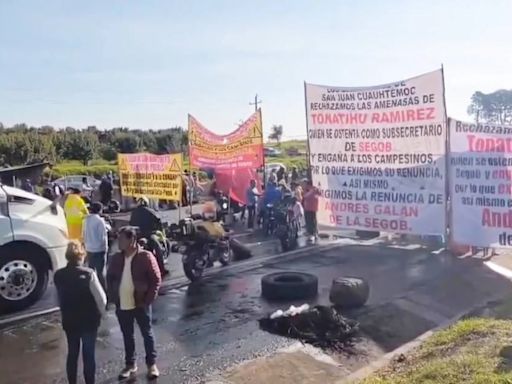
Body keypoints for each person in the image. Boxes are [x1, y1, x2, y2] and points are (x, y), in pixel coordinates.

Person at [106, 227, 162, 380]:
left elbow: (156, 280)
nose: (119, 242)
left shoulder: (145, 256)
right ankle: (130, 365)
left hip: (140, 303)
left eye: (122, 239)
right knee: (127, 335)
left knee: (147, 334)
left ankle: (152, 365)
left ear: (131, 240)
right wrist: (112, 296)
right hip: (122, 304)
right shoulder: (116, 258)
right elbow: (109, 278)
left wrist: (147, 300)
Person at [54, 240, 107, 384]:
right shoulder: (89, 274)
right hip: (89, 321)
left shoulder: (59, 275)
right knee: (88, 355)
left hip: (70, 320)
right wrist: (102, 314)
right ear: (81, 256)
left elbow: (57, 299)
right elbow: (101, 299)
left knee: (72, 353)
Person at [129, 196, 168, 276]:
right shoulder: (150, 211)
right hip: (149, 234)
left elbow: (131, 223)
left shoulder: (134, 212)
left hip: (137, 235)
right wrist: (160, 228)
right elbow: (158, 220)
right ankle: (162, 268)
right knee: (158, 249)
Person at [83, 202, 110, 291]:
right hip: (99, 250)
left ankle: (91, 290)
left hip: (89, 249)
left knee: (91, 272)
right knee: (101, 273)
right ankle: (103, 291)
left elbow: (83, 234)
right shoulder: (100, 221)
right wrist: (105, 248)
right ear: (100, 210)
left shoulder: (86, 220)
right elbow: (103, 237)